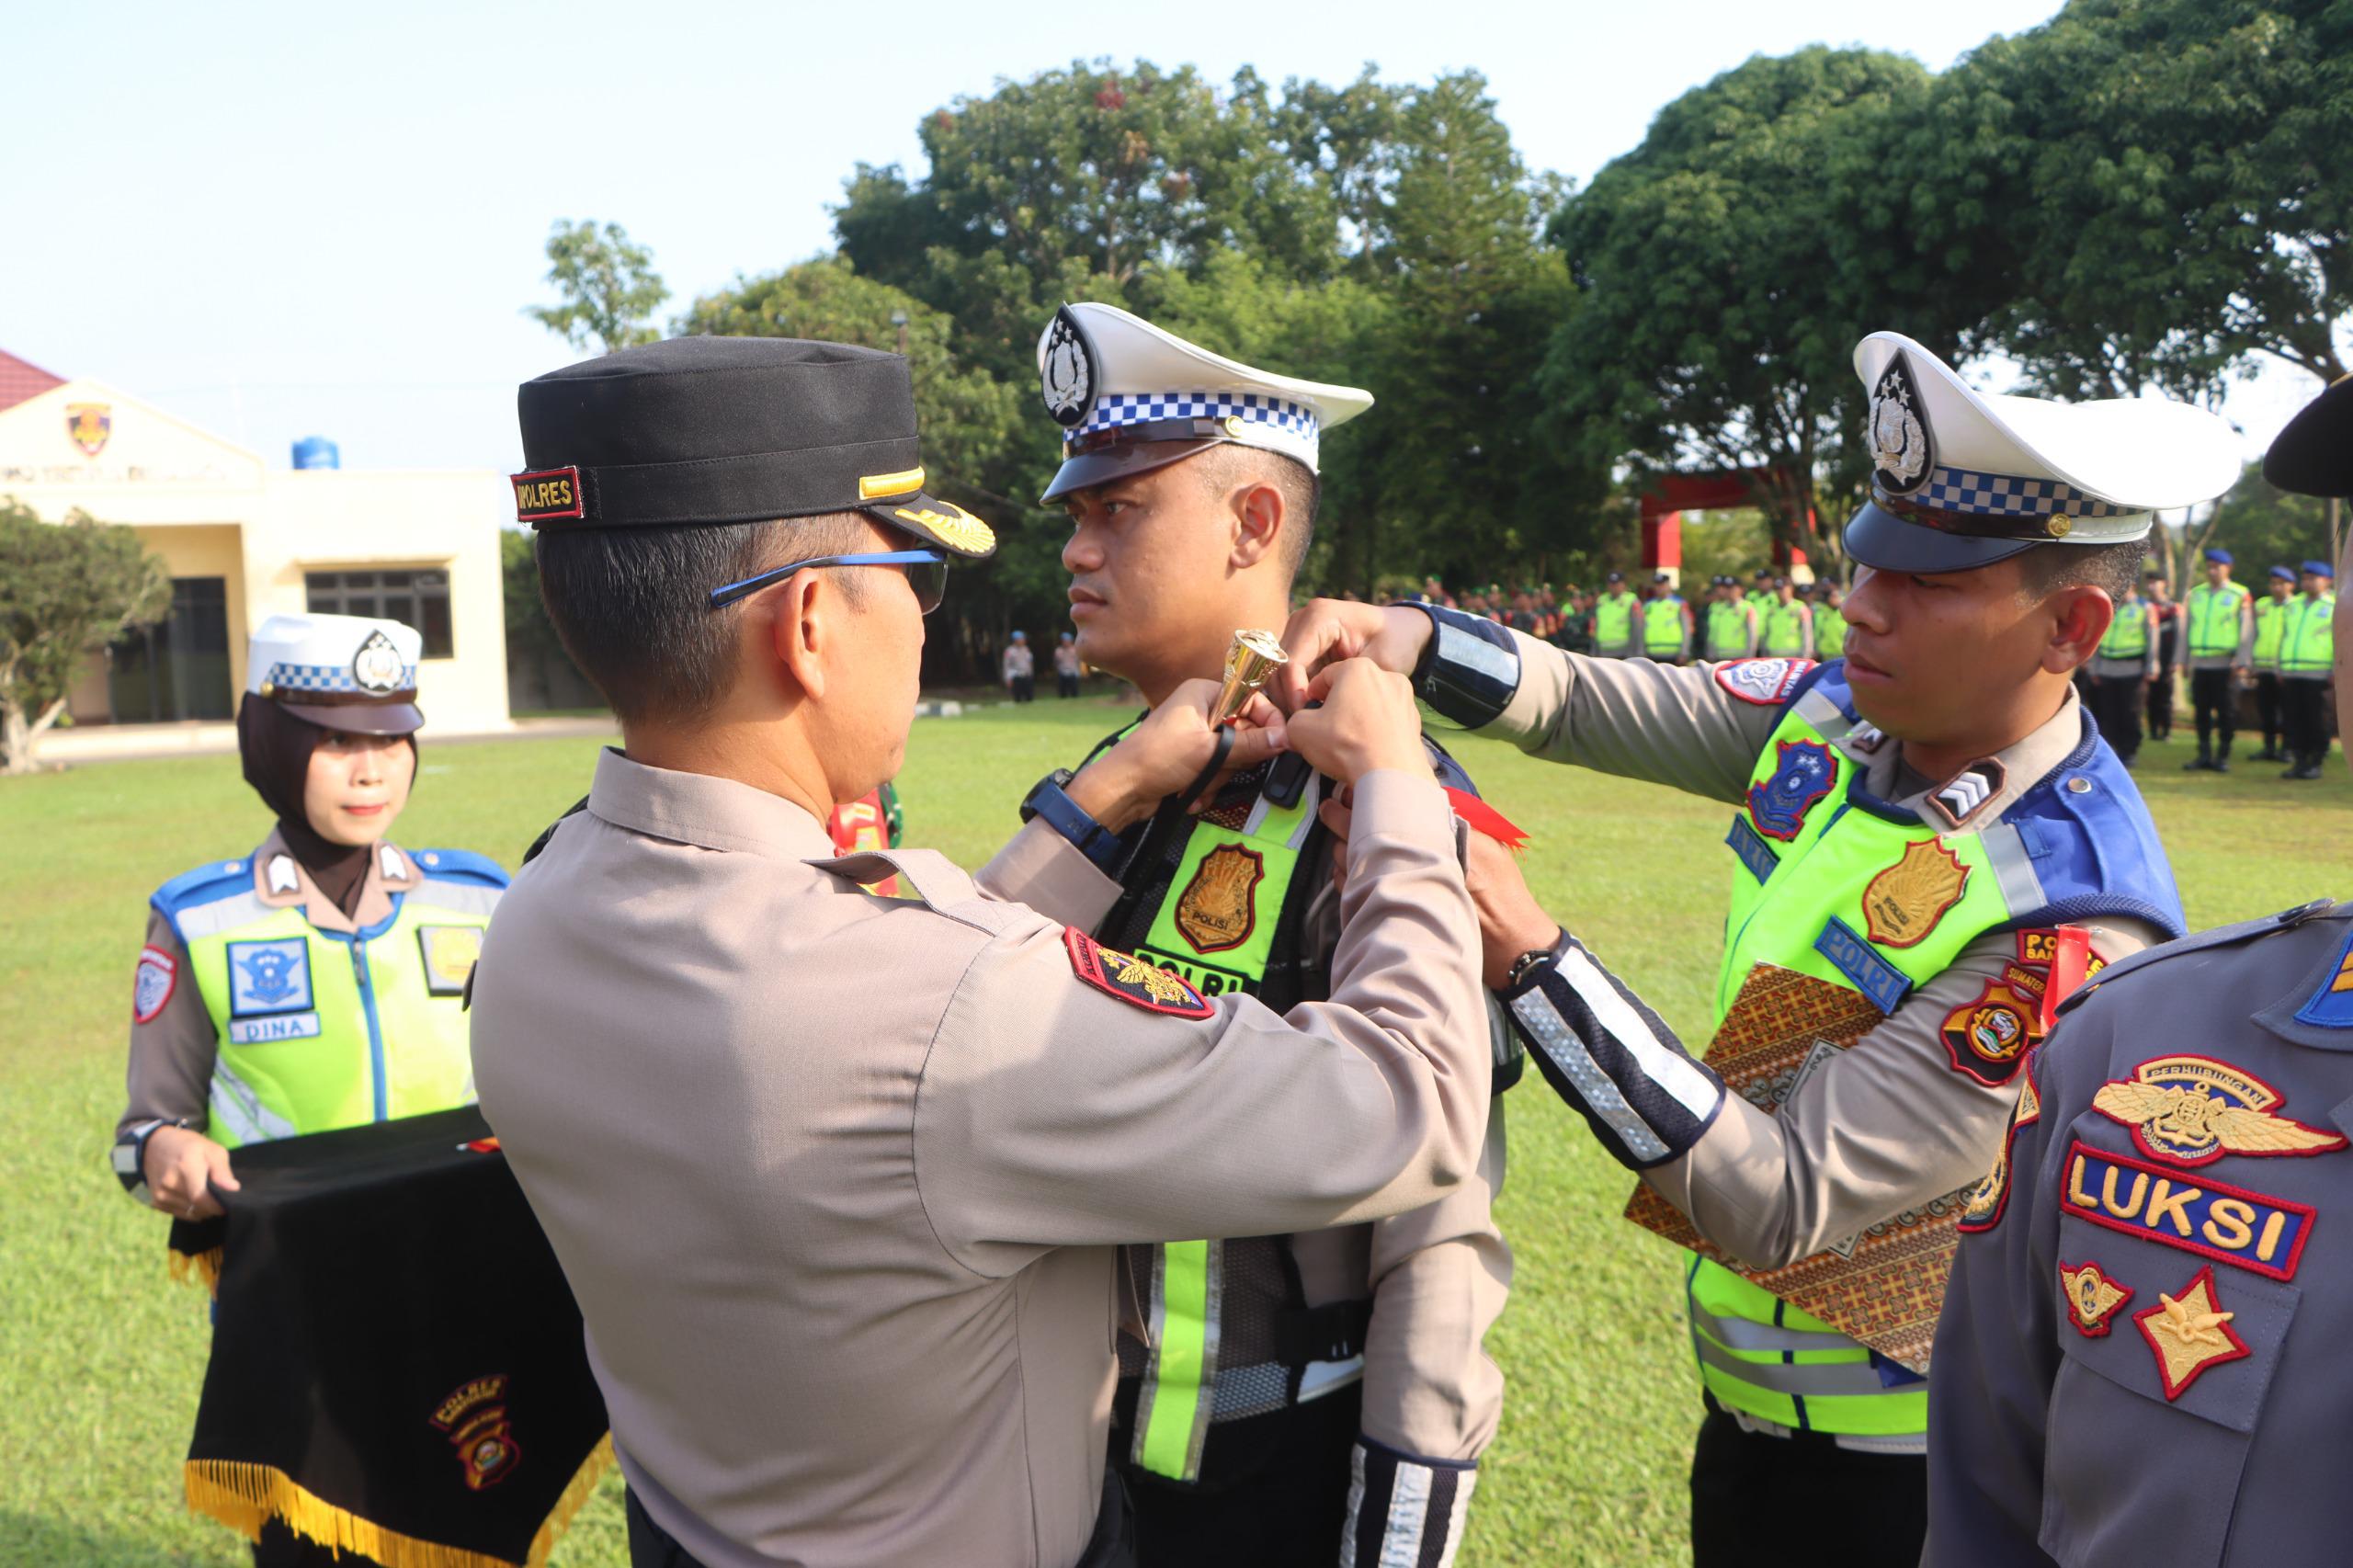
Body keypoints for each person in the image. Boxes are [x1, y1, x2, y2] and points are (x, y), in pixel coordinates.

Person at [469, 336, 1496, 1568]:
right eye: (915, 572)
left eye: (1120, 508)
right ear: (809, 623)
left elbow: (909, 980)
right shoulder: (935, 992)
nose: (1065, 552)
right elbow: (1408, 1106)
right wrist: (1397, 789)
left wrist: (1109, 784)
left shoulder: (531, 918)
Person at [1275, 329, 2239, 1568]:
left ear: (2072, 627)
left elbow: (1782, 1195)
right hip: (1745, 1431)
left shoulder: (2067, 911)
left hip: (1914, 1487)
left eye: (1930, 585)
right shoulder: (1836, 714)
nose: (1862, 604)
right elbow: (1578, 697)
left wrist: (1524, 948)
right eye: (1868, 562)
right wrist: (1406, 630)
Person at [1008, 301, 1510, 1567]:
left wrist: (1397, 1531)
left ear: (1253, 522)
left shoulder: (1376, 797)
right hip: (1083, 1464)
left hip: (1276, 1483)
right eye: (1076, 513)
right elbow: (943, 1001)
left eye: (1116, 511)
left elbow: (1436, 1229)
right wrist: (1114, 785)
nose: (1074, 548)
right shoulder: (1128, 775)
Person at [1921, 373, 2353, 1568]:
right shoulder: (2132, 1047)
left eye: (1930, 577)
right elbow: (1984, 1508)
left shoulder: (2089, 899)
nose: (1871, 609)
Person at [111, 611, 507, 1567]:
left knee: (473, 1535)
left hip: (461, 1298)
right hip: (295, 1318)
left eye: (390, 738)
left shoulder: (480, 899)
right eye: (336, 740)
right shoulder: (200, 921)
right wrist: (170, 1153)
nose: (371, 770)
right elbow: (145, 1132)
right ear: (276, 743)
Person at [2181, 547, 2254, 771]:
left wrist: (2241, 661)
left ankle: (2222, 756)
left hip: (2226, 664)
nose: (2212, 571)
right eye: (2209, 567)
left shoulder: (2239, 594)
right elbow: (2186, 629)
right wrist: (2183, 660)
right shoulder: (2196, 594)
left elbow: (2246, 630)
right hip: (2201, 662)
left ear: (2228, 569)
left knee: (2226, 712)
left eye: (2217, 567)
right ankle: (2203, 754)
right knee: (2201, 711)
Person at [2083, 572, 2157, 767]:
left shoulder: (2144, 608)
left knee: (2130, 712)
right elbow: (2098, 638)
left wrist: (2151, 666)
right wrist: (2094, 668)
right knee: (2107, 713)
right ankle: (2110, 751)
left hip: (2131, 668)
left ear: (2131, 584)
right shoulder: (2109, 607)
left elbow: (2152, 640)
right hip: (2107, 668)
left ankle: (2129, 750)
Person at [2279, 557, 2338, 779]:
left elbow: (2339, 642)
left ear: (2327, 581)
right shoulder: (2292, 606)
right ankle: (2300, 760)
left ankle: (2316, 761)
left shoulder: (2332, 606)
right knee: (2294, 719)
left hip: (2319, 674)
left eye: (2313, 578)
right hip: (2293, 672)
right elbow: (2284, 638)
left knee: (2317, 720)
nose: (2307, 582)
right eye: (2304, 578)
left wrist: (2335, 670)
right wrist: (2280, 667)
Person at [2253, 564, 2297, 760]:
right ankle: (2268, 747)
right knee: (2266, 711)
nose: (2276, 588)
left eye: (2281, 584)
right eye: (2273, 584)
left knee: (2288, 711)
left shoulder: (2297, 606)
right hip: (2263, 668)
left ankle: (2287, 748)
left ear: (2291, 585)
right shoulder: (2262, 605)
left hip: (2286, 669)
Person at [2143, 568, 2179, 742]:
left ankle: (2166, 731)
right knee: (2150, 696)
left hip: (2167, 657)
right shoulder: (2145, 607)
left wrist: (2176, 660)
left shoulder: (2172, 608)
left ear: (2164, 584)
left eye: (2155, 582)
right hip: (2148, 658)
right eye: (2149, 583)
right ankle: (2152, 731)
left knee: (2165, 696)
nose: (2151, 586)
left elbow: (2179, 635)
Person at [1702, 574, 1761, 663]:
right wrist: (1711, 652)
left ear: (1740, 589)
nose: (1729, 591)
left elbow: (1752, 635)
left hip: (1740, 657)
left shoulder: (1747, 608)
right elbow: (1713, 632)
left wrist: (1749, 657)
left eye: (1732, 588)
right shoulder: (1718, 608)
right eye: (1727, 588)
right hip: (1719, 656)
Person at [1640, 570, 1692, 664]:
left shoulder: (1679, 603)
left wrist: (1684, 652)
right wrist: (1642, 651)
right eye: (1657, 585)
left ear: (1669, 586)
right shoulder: (1648, 606)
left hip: (1673, 654)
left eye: (1662, 585)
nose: (1659, 588)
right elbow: (1643, 628)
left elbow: (1686, 629)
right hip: (1652, 653)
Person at [1761, 574, 1813, 658]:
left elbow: (1807, 634)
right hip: (1773, 655)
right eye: (1777, 590)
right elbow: (1767, 634)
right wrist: (1764, 654)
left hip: (1794, 656)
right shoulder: (1771, 609)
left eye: (1782, 589)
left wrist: (1806, 656)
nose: (1779, 592)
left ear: (1790, 589)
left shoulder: (1800, 608)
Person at [1592, 570, 1640, 657]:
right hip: (1603, 651)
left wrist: (1634, 653)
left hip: (1623, 651)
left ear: (1623, 584)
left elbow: (1637, 628)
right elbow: (1596, 627)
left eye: (1616, 584)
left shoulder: (1631, 600)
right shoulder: (1601, 600)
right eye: (1611, 584)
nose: (1613, 587)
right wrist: (1594, 651)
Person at [1813, 579, 1849, 659]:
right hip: (1825, 654)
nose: (1833, 599)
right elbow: (1817, 633)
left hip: (1842, 654)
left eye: (1835, 596)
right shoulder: (1822, 611)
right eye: (1831, 596)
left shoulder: (1847, 612)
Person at [1005, 628, 1038, 702]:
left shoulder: (1026, 649)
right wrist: (1008, 679)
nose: (1023, 640)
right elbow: (1007, 666)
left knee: (1029, 697)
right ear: (1015, 640)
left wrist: (1031, 674)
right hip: (1016, 676)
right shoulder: (1009, 651)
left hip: (1027, 676)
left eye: (1023, 638)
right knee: (1017, 698)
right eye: (1021, 639)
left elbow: (1030, 662)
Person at [1055, 630, 1085, 698]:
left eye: (1067, 640)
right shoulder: (1058, 651)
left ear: (1071, 641)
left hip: (1073, 672)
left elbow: (1079, 662)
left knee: (1074, 691)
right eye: (1064, 641)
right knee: (1062, 692)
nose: (1065, 642)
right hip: (1062, 672)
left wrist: (1080, 671)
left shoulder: (1075, 650)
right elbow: (1056, 662)